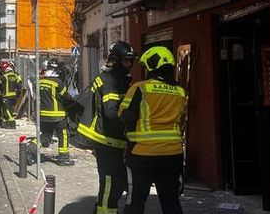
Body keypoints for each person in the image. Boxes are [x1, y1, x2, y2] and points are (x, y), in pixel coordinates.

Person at [119, 46, 187, 214]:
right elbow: (182, 120)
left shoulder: (140, 88)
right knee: (171, 201)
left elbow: (124, 115)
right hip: (173, 154)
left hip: (142, 154)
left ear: (152, 66)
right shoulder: (180, 91)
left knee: (136, 200)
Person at [76, 41, 135, 214]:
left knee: (114, 185)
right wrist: (133, 117)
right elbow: (111, 112)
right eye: (126, 61)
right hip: (107, 141)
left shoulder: (113, 77)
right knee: (110, 184)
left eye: (131, 61)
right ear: (116, 60)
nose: (130, 65)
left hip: (112, 141)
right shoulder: (111, 80)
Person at [39, 58, 74, 165]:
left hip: (43, 115)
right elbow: (67, 97)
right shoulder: (57, 83)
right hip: (57, 115)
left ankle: (28, 148)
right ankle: (63, 158)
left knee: (45, 137)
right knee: (63, 135)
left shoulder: (41, 81)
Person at [0, 61, 22, 129]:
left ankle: (12, 123)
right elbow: (19, 84)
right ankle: (6, 122)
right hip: (14, 96)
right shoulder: (16, 75)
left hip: (6, 95)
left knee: (7, 109)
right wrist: (18, 93)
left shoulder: (4, 76)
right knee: (10, 109)